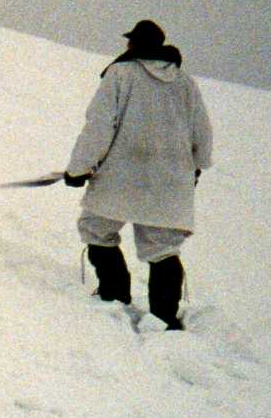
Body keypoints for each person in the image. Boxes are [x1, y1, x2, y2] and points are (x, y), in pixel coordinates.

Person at [63, 19, 214, 329]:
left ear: (134, 43)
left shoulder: (120, 74)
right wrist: (197, 166)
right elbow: (203, 131)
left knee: (97, 228)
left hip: (121, 174)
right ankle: (164, 317)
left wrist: (79, 169)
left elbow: (99, 126)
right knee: (163, 249)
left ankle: (114, 295)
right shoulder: (185, 82)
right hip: (171, 179)